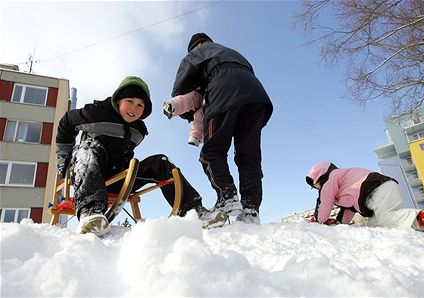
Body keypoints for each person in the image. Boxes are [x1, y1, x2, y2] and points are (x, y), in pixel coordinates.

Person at [55, 76, 226, 235]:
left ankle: (194, 211)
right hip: (89, 174)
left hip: (120, 179)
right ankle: (91, 211)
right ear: (118, 100)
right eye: (129, 101)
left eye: (140, 105)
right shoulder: (95, 113)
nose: (134, 109)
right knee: (89, 147)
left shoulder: (139, 130)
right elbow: (66, 122)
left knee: (161, 162)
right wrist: (63, 155)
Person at [171, 33, 273, 224]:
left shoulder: (197, 52)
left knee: (210, 153)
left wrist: (190, 114)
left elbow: (180, 88)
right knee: (248, 156)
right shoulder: (231, 51)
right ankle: (251, 209)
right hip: (257, 97)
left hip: (223, 93)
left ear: (195, 46)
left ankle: (228, 196)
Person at [305, 161, 424, 233]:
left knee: (388, 218)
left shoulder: (332, 177)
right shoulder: (343, 186)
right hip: (379, 192)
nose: (316, 188)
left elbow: (325, 203)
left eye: (314, 185)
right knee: (376, 227)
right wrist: (338, 223)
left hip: (377, 190)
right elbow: (348, 210)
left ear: (320, 176)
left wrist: (318, 221)